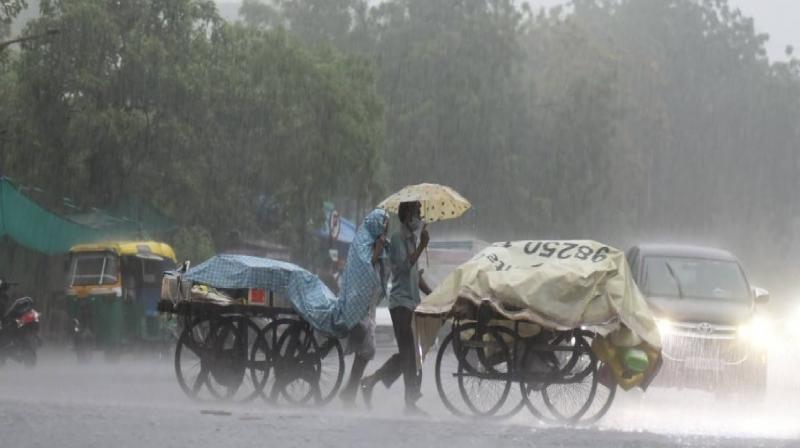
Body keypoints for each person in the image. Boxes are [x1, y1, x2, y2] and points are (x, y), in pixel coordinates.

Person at [360, 201, 431, 414]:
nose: (419, 217)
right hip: (400, 304)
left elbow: (414, 276)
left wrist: (433, 294)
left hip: (413, 302)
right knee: (409, 353)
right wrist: (421, 247)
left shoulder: (413, 239)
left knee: (411, 354)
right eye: (417, 212)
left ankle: (371, 381)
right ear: (408, 214)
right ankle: (410, 403)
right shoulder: (399, 239)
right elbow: (401, 268)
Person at [338, 209, 389, 406]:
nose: (385, 228)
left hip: (369, 306)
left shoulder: (374, 242)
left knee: (366, 350)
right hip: (358, 305)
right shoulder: (363, 242)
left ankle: (349, 391)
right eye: (383, 223)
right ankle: (349, 390)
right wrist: (378, 250)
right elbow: (366, 270)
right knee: (368, 348)